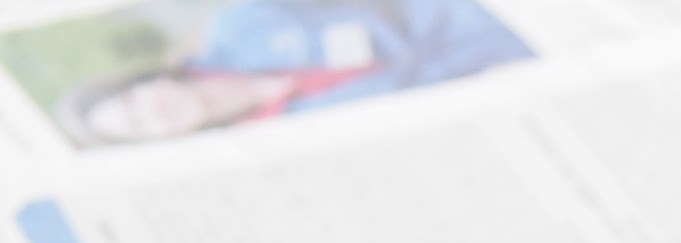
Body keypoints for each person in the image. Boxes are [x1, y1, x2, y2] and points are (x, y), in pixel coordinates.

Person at [56, 0, 532, 144]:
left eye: (133, 101)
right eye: (141, 126)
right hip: (516, 85)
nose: (152, 110)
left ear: (145, 79)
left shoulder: (239, 26)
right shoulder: (273, 142)